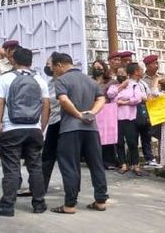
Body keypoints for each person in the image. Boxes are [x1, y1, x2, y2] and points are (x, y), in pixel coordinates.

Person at [0, 47, 50, 217]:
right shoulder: (40, 79)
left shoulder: (5, 78)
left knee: (11, 167)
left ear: (13, 61)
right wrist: (42, 127)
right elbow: (46, 106)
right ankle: (39, 203)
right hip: (34, 129)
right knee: (35, 167)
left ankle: (7, 205)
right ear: (31, 62)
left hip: (11, 129)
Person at [51, 51, 108, 214]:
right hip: (91, 128)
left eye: (53, 67)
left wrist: (78, 115)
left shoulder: (61, 80)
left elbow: (63, 99)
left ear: (60, 65)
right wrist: (92, 113)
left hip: (70, 129)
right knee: (96, 164)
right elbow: (101, 98)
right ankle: (101, 200)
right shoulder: (90, 80)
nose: (53, 71)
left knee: (70, 165)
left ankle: (70, 204)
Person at [108, 63, 146, 176]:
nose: (121, 76)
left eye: (123, 74)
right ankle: (123, 164)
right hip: (116, 118)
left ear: (127, 74)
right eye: (119, 74)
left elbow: (137, 99)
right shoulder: (114, 86)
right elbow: (110, 96)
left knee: (132, 142)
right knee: (119, 142)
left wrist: (123, 102)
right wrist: (121, 87)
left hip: (130, 117)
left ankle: (136, 165)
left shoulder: (134, 85)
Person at [139, 55, 165, 168]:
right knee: (147, 134)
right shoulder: (141, 79)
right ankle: (150, 157)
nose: (157, 65)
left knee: (162, 134)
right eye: (154, 63)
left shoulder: (163, 78)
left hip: (161, 110)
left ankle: (163, 159)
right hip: (146, 109)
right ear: (147, 65)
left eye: (157, 63)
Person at [91, 59, 118, 171]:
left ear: (104, 68)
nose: (97, 69)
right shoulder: (89, 81)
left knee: (107, 137)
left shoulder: (111, 82)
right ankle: (95, 161)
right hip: (93, 110)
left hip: (107, 111)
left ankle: (109, 161)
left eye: (99, 67)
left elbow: (112, 95)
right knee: (94, 137)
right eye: (95, 67)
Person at [40, 64, 62, 191]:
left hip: (63, 121)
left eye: (49, 64)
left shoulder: (63, 81)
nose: (47, 66)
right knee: (47, 156)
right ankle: (41, 186)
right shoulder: (49, 83)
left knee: (65, 158)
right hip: (53, 121)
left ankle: (72, 190)